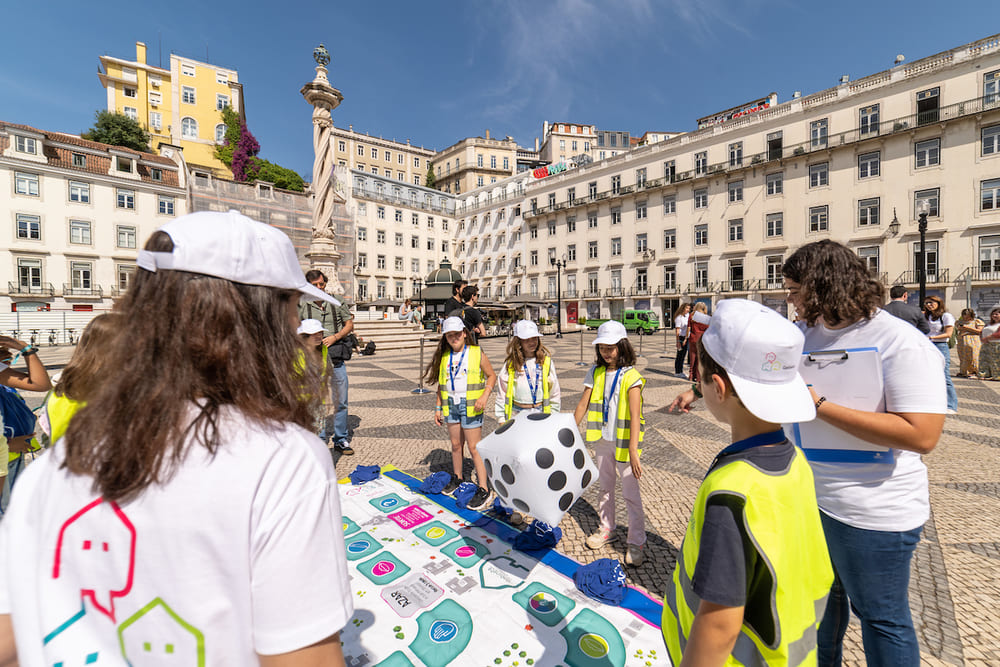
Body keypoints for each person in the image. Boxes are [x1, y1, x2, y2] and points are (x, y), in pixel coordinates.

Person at [0, 210, 353, 665]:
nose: (294, 324)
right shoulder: (283, 459)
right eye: (290, 305)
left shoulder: (63, 458)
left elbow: (9, 639)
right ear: (258, 317)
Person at [671, 241, 946, 666]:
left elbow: (922, 434)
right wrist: (698, 388)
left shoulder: (900, 343)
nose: (790, 298)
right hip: (805, 496)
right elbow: (755, 373)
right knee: (819, 612)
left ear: (823, 286)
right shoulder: (803, 335)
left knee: (881, 618)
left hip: (873, 509)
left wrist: (819, 405)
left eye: (795, 289)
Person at [661, 299, 833, 666]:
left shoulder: (732, 492)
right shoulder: (795, 461)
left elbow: (720, 623)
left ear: (717, 388)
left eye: (700, 378)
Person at [574, 321, 647, 566]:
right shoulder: (595, 372)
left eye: (611, 348)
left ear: (622, 347)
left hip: (625, 444)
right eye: (603, 348)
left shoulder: (631, 377)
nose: (606, 352)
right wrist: (570, 431)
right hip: (602, 440)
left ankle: (636, 540)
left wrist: (634, 450)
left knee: (630, 494)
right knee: (605, 488)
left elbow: (635, 416)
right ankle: (607, 528)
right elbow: (583, 404)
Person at [424, 316, 497, 510]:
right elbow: (441, 384)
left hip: (472, 405)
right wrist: (438, 407)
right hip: (451, 406)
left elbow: (491, 375)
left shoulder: (476, 352)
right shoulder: (445, 357)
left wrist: (484, 396)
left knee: (474, 448)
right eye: (450, 335)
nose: (454, 338)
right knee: (456, 445)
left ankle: (484, 488)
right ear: (446, 337)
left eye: (457, 334)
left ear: (465, 333)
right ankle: (457, 478)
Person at [299, 269, 356, 455]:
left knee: (341, 400)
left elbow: (349, 323)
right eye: (314, 285)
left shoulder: (337, 301)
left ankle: (341, 439)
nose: (319, 288)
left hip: (336, 356)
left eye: (321, 284)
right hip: (313, 360)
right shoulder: (301, 305)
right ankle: (320, 439)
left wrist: (335, 336)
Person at [0, 334, 53, 513]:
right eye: (4, 357)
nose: (8, 361)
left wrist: (25, 349)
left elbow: (40, 384)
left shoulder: (4, 381)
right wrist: (8, 444)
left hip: (12, 458)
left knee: (13, 514)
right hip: (7, 455)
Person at [495, 319, 561, 422]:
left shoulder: (546, 362)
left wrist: (554, 415)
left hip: (540, 411)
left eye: (534, 338)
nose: (531, 342)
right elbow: (502, 392)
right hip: (516, 413)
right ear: (518, 341)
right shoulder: (511, 363)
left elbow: (554, 392)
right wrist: (501, 418)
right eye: (526, 339)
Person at [297, 319, 331, 442]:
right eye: (315, 334)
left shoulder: (323, 350)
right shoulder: (295, 352)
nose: (319, 336)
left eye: (320, 333)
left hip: (318, 400)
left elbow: (325, 374)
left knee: (320, 436)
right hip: (300, 402)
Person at [923, 295, 957, 413]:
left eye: (931, 302)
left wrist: (931, 337)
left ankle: (951, 405)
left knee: (944, 375)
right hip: (928, 346)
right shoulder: (927, 316)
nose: (928, 305)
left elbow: (948, 334)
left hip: (940, 345)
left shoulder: (946, 316)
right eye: (927, 303)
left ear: (939, 303)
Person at [955, 308, 984, 378]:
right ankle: (964, 371)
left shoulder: (977, 322)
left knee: (973, 356)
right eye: (964, 315)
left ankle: (974, 371)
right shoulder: (959, 322)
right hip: (962, 340)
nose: (966, 317)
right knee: (963, 355)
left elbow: (980, 331)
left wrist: (967, 328)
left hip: (974, 339)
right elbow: (957, 328)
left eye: (967, 315)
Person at [687, 302, 711, 382]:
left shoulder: (692, 316)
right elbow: (707, 328)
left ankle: (691, 375)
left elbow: (689, 327)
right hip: (701, 339)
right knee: (699, 360)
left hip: (692, 338)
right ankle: (698, 377)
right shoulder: (705, 318)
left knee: (692, 358)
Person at [980, 307, 1000, 380]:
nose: (994, 316)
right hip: (986, 344)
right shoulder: (989, 324)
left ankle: (997, 376)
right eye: (993, 314)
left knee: (996, 362)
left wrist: (988, 338)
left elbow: (998, 334)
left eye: (996, 314)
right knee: (985, 360)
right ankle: (985, 374)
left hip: (997, 345)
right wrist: (982, 339)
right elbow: (982, 332)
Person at [672, 303, 691, 377]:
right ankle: (678, 371)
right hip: (681, 337)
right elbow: (677, 330)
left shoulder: (687, 316)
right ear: (683, 308)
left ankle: (681, 370)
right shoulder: (679, 317)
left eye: (689, 309)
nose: (688, 310)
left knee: (683, 355)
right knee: (680, 355)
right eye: (686, 308)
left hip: (686, 337)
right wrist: (678, 341)